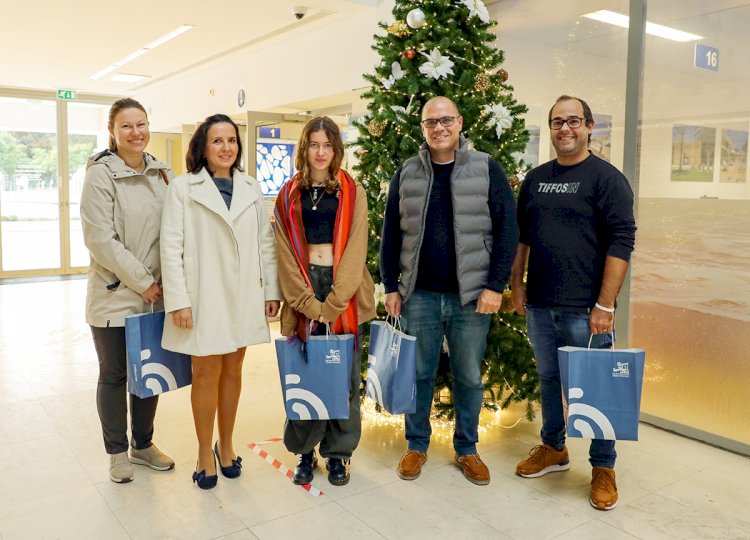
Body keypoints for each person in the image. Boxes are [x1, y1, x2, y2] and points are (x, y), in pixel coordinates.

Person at [379, 96, 518, 486]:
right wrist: (391, 284)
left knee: (469, 377)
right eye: (430, 122)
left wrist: (495, 286)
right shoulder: (407, 172)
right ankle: (417, 445)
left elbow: (508, 229)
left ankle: (467, 449)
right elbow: (391, 233)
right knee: (418, 374)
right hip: (418, 295)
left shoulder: (486, 168)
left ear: (459, 123)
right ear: (422, 128)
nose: (438, 128)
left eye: (445, 120)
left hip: (470, 297)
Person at [511, 95, 636, 511]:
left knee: (597, 387)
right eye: (557, 122)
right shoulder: (536, 178)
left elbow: (622, 242)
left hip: (587, 309)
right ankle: (554, 447)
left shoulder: (607, 178)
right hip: (541, 305)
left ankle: (603, 465)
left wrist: (606, 304)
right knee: (549, 380)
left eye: (573, 121)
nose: (564, 128)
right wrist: (517, 284)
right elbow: (522, 238)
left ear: (589, 127)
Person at [160, 114, 281, 489]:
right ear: (203, 146)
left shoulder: (251, 186)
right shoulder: (183, 188)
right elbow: (171, 246)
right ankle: (202, 453)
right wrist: (179, 300)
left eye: (231, 140)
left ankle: (225, 445)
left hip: (243, 293)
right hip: (203, 297)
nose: (226, 147)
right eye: (217, 141)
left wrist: (271, 291)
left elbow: (266, 244)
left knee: (233, 371)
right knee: (205, 374)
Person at [274, 116, 376, 486]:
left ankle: (338, 454)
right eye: (314, 145)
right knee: (305, 375)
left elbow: (355, 250)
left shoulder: (353, 191)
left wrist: (331, 304)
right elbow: (283, 251)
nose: (321, 152)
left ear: (337, 150)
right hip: (303, 288)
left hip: (342, 292)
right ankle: (305, 451)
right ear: (305, 148)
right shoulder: (289, 194)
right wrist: (305, 302)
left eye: (327, 146)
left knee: (342, 378)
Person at [81, 97, 176, 483]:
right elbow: (100, 239)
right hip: (115, 292)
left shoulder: (163, 173)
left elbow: (175, 232)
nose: (136, 133)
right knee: (116, 374)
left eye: (141, 124)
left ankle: (143, 445)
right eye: (126, 126)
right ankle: (117, 453)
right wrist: (145, 282)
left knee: (148, 372)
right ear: (112, 131)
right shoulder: (100, 175)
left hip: (156, 293)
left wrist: (170, 281)